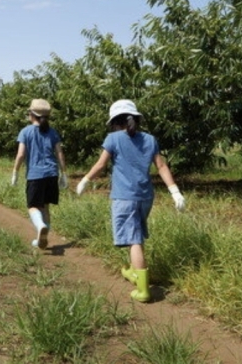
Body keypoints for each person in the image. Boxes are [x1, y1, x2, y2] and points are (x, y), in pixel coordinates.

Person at [76, 99, 185, 303]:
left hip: (124, 197)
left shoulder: (113, 138)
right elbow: (161, 166)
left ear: (115, 122)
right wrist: (174, 191)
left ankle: (143, 289)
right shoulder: (150, 139)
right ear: (135, 119)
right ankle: (134, 272)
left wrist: (85, 180)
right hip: (145, 197)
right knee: (134, 233)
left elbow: (101, 165)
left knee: (133, 239)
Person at [12, 99, 68, 250]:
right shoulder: (53, 132)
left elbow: (21, 155)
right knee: (45, 207)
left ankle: (40, 226)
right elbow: (60, 153)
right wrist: (63, 173)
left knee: (33, 207)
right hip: (52, 174)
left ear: (31, 115)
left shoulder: (25, 132)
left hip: (35, 175)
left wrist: (15, 171)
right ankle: (41, 239)